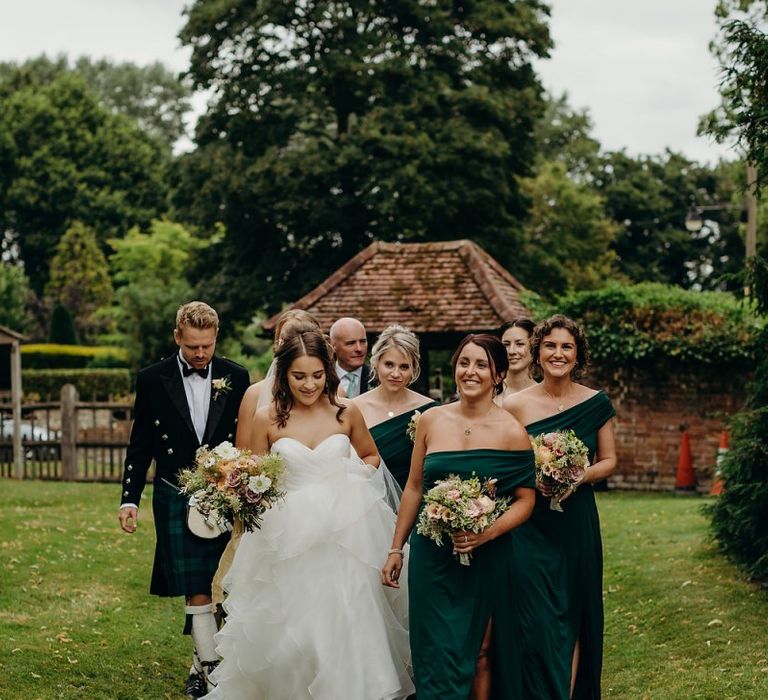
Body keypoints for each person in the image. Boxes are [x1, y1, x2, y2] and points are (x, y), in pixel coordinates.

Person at [206, 328, 414, 699]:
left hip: (343, 534)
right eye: (299, 376)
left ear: (328, 372)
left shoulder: (346, 411)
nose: (309, 384)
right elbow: (255, 472)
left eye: (317, 375)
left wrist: (347, 479)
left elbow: (370, 457)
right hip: (286, 535)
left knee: (345, 618)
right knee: (289, 627)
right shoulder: (268, 418)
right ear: (284, 374)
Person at [382, 334, 536, 700]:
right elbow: (415, 488)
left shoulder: (512, 431)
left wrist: (487, 533)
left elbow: (525, 501)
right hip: (431, 556)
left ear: (498, 374)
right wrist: (395, 549)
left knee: (480, 653)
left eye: (481, 365)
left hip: (486, 557)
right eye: (464, 363)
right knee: (431, 652)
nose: (470, 372)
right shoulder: (430, 420)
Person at [117, 301, 250, 698]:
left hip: (224, 492)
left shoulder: (235, 376)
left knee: (225, 584)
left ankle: (200, 662)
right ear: (177, 337)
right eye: (192, 346)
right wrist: (129, 498)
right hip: (174, 491)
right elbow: (140, 443)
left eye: (207, 346)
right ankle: (212, 676)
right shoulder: (153, 378)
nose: (200, 354)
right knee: (196, 585)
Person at [503, 315, 617, 700]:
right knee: (535, 618)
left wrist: (577, 476)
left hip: (576, 523)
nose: (558, 353)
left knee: (573, 612)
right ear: (538, 351)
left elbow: (609, 461)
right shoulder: (514, 405)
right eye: (550, 345)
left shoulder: (596, 402)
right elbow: (503, 461)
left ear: (577, 354)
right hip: (531, 526)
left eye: (566, 347)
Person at [353, 325, 438, 490]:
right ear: (376, 363)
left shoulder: (430, 410)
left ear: (414, 368)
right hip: (368, 502)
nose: (396, 374)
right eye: (389, 365)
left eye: (404, 367)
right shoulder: (355, 408)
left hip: (415, 501)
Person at [235, 309, 320, 448]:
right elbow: (243, 455)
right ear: (277, 344)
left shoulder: (334, 393)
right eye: (287, 339)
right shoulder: (254, 394)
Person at [330, 316, 371, 397]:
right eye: (351, 343)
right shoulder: (322, 378)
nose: (359, 349)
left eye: (363, 341)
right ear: (333, 346)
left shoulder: (377, 378)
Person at [498, 318, 537, 399]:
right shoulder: (488, 393)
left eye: (520, 344)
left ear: (534, 347)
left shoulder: (545, 395)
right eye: (506, 345)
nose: (511, 351)